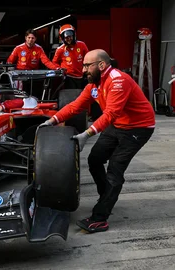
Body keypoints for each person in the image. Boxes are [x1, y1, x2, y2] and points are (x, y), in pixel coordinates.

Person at [39, 49, 155, 233]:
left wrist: (87, 133)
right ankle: (106, 197)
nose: (83, 69)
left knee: (115, 170)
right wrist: (52, 120)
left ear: (101, 65)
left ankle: (100, 219)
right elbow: (75, 106)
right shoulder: (94, 84)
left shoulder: (118, 80)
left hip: (138, 128)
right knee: (95, 159)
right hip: (118, 125)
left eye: (87, 65)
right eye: (83, 65)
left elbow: (110, 114)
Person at [52, 24, 89, 89]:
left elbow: (88, 57)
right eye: (66, 37)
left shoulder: (82, 45)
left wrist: (86, 68)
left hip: (82, 76)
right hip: (68, 78)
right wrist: (59, 69)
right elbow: (54, 63)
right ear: (62, 38)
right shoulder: (60, 49)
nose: (69, 39)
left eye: (70, 36)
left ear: (74, 35)